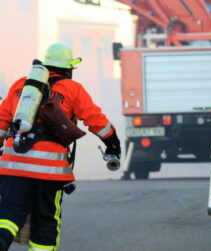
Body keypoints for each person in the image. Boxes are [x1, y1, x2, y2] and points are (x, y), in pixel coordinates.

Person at [0, 43, 121, 250]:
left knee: (9, 213)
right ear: (68, 68)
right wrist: (113, 144)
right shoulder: (73, 89)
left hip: (14, 165)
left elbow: (2, 121)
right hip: (48, 170)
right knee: (46, 219)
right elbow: (95, 120)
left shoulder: (21, 85)